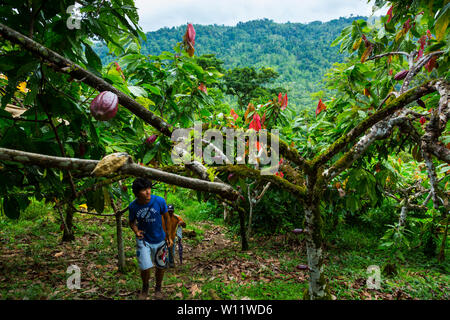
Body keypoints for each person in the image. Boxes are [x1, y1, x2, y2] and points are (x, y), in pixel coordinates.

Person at [128, 178, 173, 300]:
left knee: (160, 265)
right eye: (143, 190)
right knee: (145, 266)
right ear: (137, 193)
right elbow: (131, 222)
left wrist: (168, 235)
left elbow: (167, 217)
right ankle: (145, 288)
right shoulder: (133, 206)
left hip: (159, 239)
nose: (148, 192)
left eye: (148, 188)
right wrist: (136, 231)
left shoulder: (159, 201)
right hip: (144, 240)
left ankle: (158, 288)